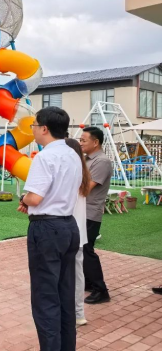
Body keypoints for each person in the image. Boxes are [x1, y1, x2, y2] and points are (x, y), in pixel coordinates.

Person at [18, 107, 81, 350]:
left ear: (44, 128)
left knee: (45, 297)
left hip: (47, 229)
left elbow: (35, 197)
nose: (33, 130)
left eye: (34, 125)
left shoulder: (45, 157)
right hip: (68, 226)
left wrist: (24, 199)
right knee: (65, 293)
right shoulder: (73, 154)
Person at [79, 126, 113, 304]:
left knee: (86, 250)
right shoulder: (85, 159)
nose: (81, 143)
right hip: (81, 211)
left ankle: (101, 290)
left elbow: (86, 188)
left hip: (90, 213)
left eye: (83, 140)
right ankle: (90, 283)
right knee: (81, 249)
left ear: (96, 142)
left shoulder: (102, 162)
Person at [65, 138, 92, 327]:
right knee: (77, 274)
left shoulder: (69, 175)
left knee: (66, 275)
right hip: (78, 232)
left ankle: (73, 313)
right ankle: (78, 313)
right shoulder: (82, 174)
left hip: (67, 230)